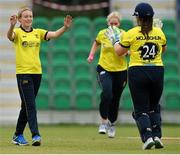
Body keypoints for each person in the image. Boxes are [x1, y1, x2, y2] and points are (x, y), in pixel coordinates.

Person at [7, 7, 72, 146]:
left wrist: (65, 28)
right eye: (25, 16)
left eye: (30, 16)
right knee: (31, 105)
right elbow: (10, 36)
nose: (29, 18)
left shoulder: (38, 33)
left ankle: (17, 135)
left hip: (37, 73)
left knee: (26, 106)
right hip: (23, 73)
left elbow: (53, 34)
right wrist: (12, 25)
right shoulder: (17, 32)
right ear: (20, 19)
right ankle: (35, 135)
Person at [106, 3, 166, 149]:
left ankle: (147, 137)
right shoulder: (159, 32)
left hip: (138, 71)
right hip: (157, 70)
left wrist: (115, 39)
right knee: (153, 107)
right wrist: (157, 33)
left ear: (138, 18)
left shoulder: (131, 33)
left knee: (141, 109)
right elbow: (162, 50)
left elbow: (119, 52)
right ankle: (157, 135)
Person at [87, 12, 127, 138]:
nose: (113, 25)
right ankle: (103, 121)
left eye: (116, 23)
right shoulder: (103, 33)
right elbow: (96, 42)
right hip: (105, 67)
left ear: (119, 24)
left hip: (120, 70)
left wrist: (126, 51)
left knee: (115, 99)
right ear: (108, 23)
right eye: (111, 23)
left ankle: (112, 123)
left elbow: (128, 49)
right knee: (107, 94)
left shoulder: (124, 34)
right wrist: (91, 54)